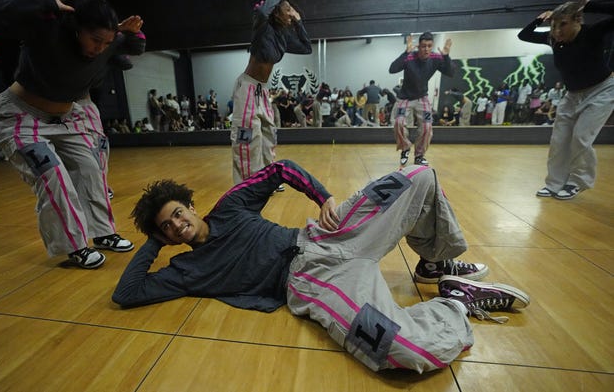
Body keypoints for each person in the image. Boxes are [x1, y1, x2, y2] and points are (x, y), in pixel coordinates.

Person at [113, 159, 529, 373]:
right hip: (313, 282)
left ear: (191, 206)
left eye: (178, 214)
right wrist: (151, 239)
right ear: (165, 238)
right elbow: (126, 294)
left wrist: (324, 197)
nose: (178, 225)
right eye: (168, 227)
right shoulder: (185, 271)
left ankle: (435, 264)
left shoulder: (230, 206)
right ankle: (455, 304)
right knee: (400, 351)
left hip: (325, 236)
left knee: (418, 175)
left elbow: (280, 169)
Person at [0, 0, 140, 268]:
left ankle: (102, 232)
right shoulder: (46, 28)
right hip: (21, 117)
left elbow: (133, 51)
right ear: (75, 27)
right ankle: (75, 247)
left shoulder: (107, 45)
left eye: (106, 43)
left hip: (67, 118)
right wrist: (39, 2)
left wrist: (127, 33)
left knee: (90, 170)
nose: (100, 48)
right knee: (52, 176)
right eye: (95, 39)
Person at [518, 0, 614, 200]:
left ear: (577, 21)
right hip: (572, 95)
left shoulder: (593, 32)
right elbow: (523, 35)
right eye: (553, 25)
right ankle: (554, 183)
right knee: (559, 140)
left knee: (580, 137)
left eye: (562, 24)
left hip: (602, 91)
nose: (556, 30)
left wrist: (591, 6)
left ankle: (577, 182)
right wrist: (538, 20)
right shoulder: (553, 39)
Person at [230, 0, 312, 185]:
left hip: (262, 91)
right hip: (247, 87)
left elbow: (306, 47)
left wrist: (299, 22)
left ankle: (267, 180)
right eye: (289, 10)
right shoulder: (262, 26)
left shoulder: (282, 37)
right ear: (277, 11)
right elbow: (261, 12)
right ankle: (245, 185)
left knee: (268, 136)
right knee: (246, 138)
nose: (292, 14)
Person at [390, 32, 454, 166]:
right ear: (418, 46)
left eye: (429, 46)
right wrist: (405, 52)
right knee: (399, 123)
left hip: (422, 97)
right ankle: (405, 147)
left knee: (427, 127)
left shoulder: (436, 58)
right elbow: (392, 69)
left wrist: (446, 56)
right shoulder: (409, 58)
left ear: (432, 46)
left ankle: (419, 155)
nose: (426, 49)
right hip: (405, 97)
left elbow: (451, 72)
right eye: (423, 46)